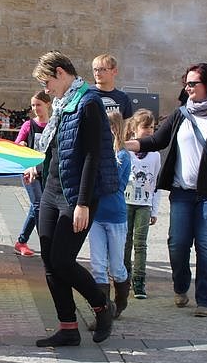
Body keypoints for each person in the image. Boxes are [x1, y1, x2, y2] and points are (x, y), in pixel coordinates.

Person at [125, 63, 207, 317]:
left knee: (206, 244)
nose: (188, 88)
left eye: (193, 83)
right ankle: (181, 286)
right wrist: (124, 144)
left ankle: (205, 299)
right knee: (177, 243)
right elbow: (157, 140)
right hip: (182, 192)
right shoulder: (181, 114)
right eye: (186, 83)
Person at [22, 51, 118, 347]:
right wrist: (37, 166)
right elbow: (54, 148)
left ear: (61, 73)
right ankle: (68, 327)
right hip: (51, 191)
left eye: (47, 82)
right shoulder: (63, 103)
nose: (47, 89)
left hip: (75, 195)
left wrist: (83, 203)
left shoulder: (88, 102)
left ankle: (101, 306)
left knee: (63, 261)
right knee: (50, 262)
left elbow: (92, 155)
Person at [88, 111, 131, 319]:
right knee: (97, 266)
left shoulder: (122, 156)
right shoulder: (96, 152)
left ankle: (120, 302)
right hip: (96, 216)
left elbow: (112, 183)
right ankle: (103, 312)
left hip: (115, 216)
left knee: (116, 267)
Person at [123, 110, 161, 300]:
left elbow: (156, 184)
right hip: (125, 203)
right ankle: (123, 277)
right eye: (145, 127)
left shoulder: (155, 155)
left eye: (152, 127)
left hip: (144, 205)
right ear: (134, 128)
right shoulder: (126, 151)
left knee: (140, 243)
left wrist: (154, 209)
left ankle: (139, 280)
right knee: (125, 241)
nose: (149, 131)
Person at [13, 91, 51, 256]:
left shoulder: (53, 125)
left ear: (48, 104)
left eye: (39, 105)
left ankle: (21, 241)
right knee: (38, 205)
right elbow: (16, 145)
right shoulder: (28, 125)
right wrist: (20, 144)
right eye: (33, 105)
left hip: (47, 171)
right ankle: (47, 244)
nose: (35, 108)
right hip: (29, 171)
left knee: (36, 205)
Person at [92, 54, 133, 119]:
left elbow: (128, 123)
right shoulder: (86, 94)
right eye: (95, 69)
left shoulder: (123, 97)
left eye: (102, 69)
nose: (97, 73)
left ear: (114, 71)